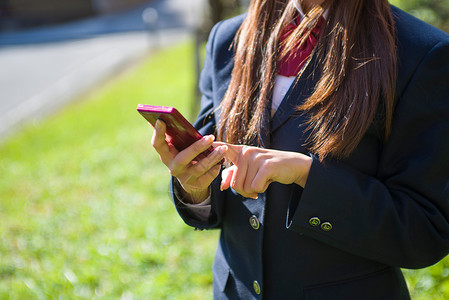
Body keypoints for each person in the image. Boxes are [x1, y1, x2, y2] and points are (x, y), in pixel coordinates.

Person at [151, 0, 449, 298]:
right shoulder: (228, 38)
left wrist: (307, 175)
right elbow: (217, 187)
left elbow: (424, 232)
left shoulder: (421, 53)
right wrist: (195, 188)